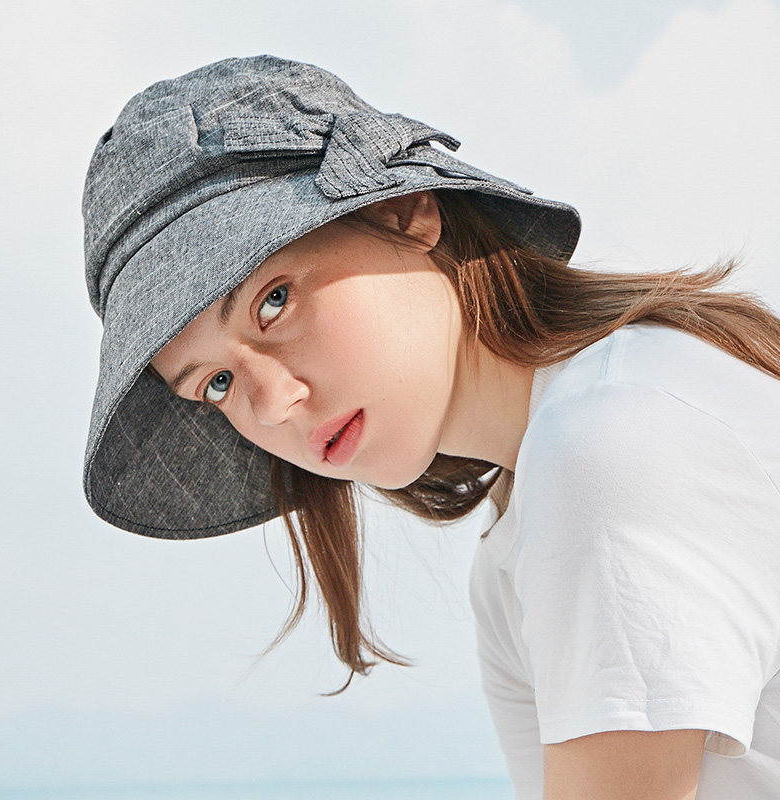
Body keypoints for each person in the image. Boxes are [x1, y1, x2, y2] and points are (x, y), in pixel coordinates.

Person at [80, 54, 780, 799]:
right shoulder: (534, 519)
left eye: (274, 301)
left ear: (405, 212)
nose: (274, 402)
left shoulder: (608, 448)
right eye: (217, 383)